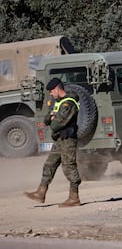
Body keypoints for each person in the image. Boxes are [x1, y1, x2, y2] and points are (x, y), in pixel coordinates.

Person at [24, 78, 82, 207]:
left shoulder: (68, 103)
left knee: (69, 166)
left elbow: (55, 125)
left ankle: (74, 197)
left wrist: (52, 118)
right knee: (49, 164)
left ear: (57, 88)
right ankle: (41, 192)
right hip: (59, 140)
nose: (50, 93)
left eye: (51, 91)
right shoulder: (58, 103)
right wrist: (51, 117)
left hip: (67, 139)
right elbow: (46, 120)